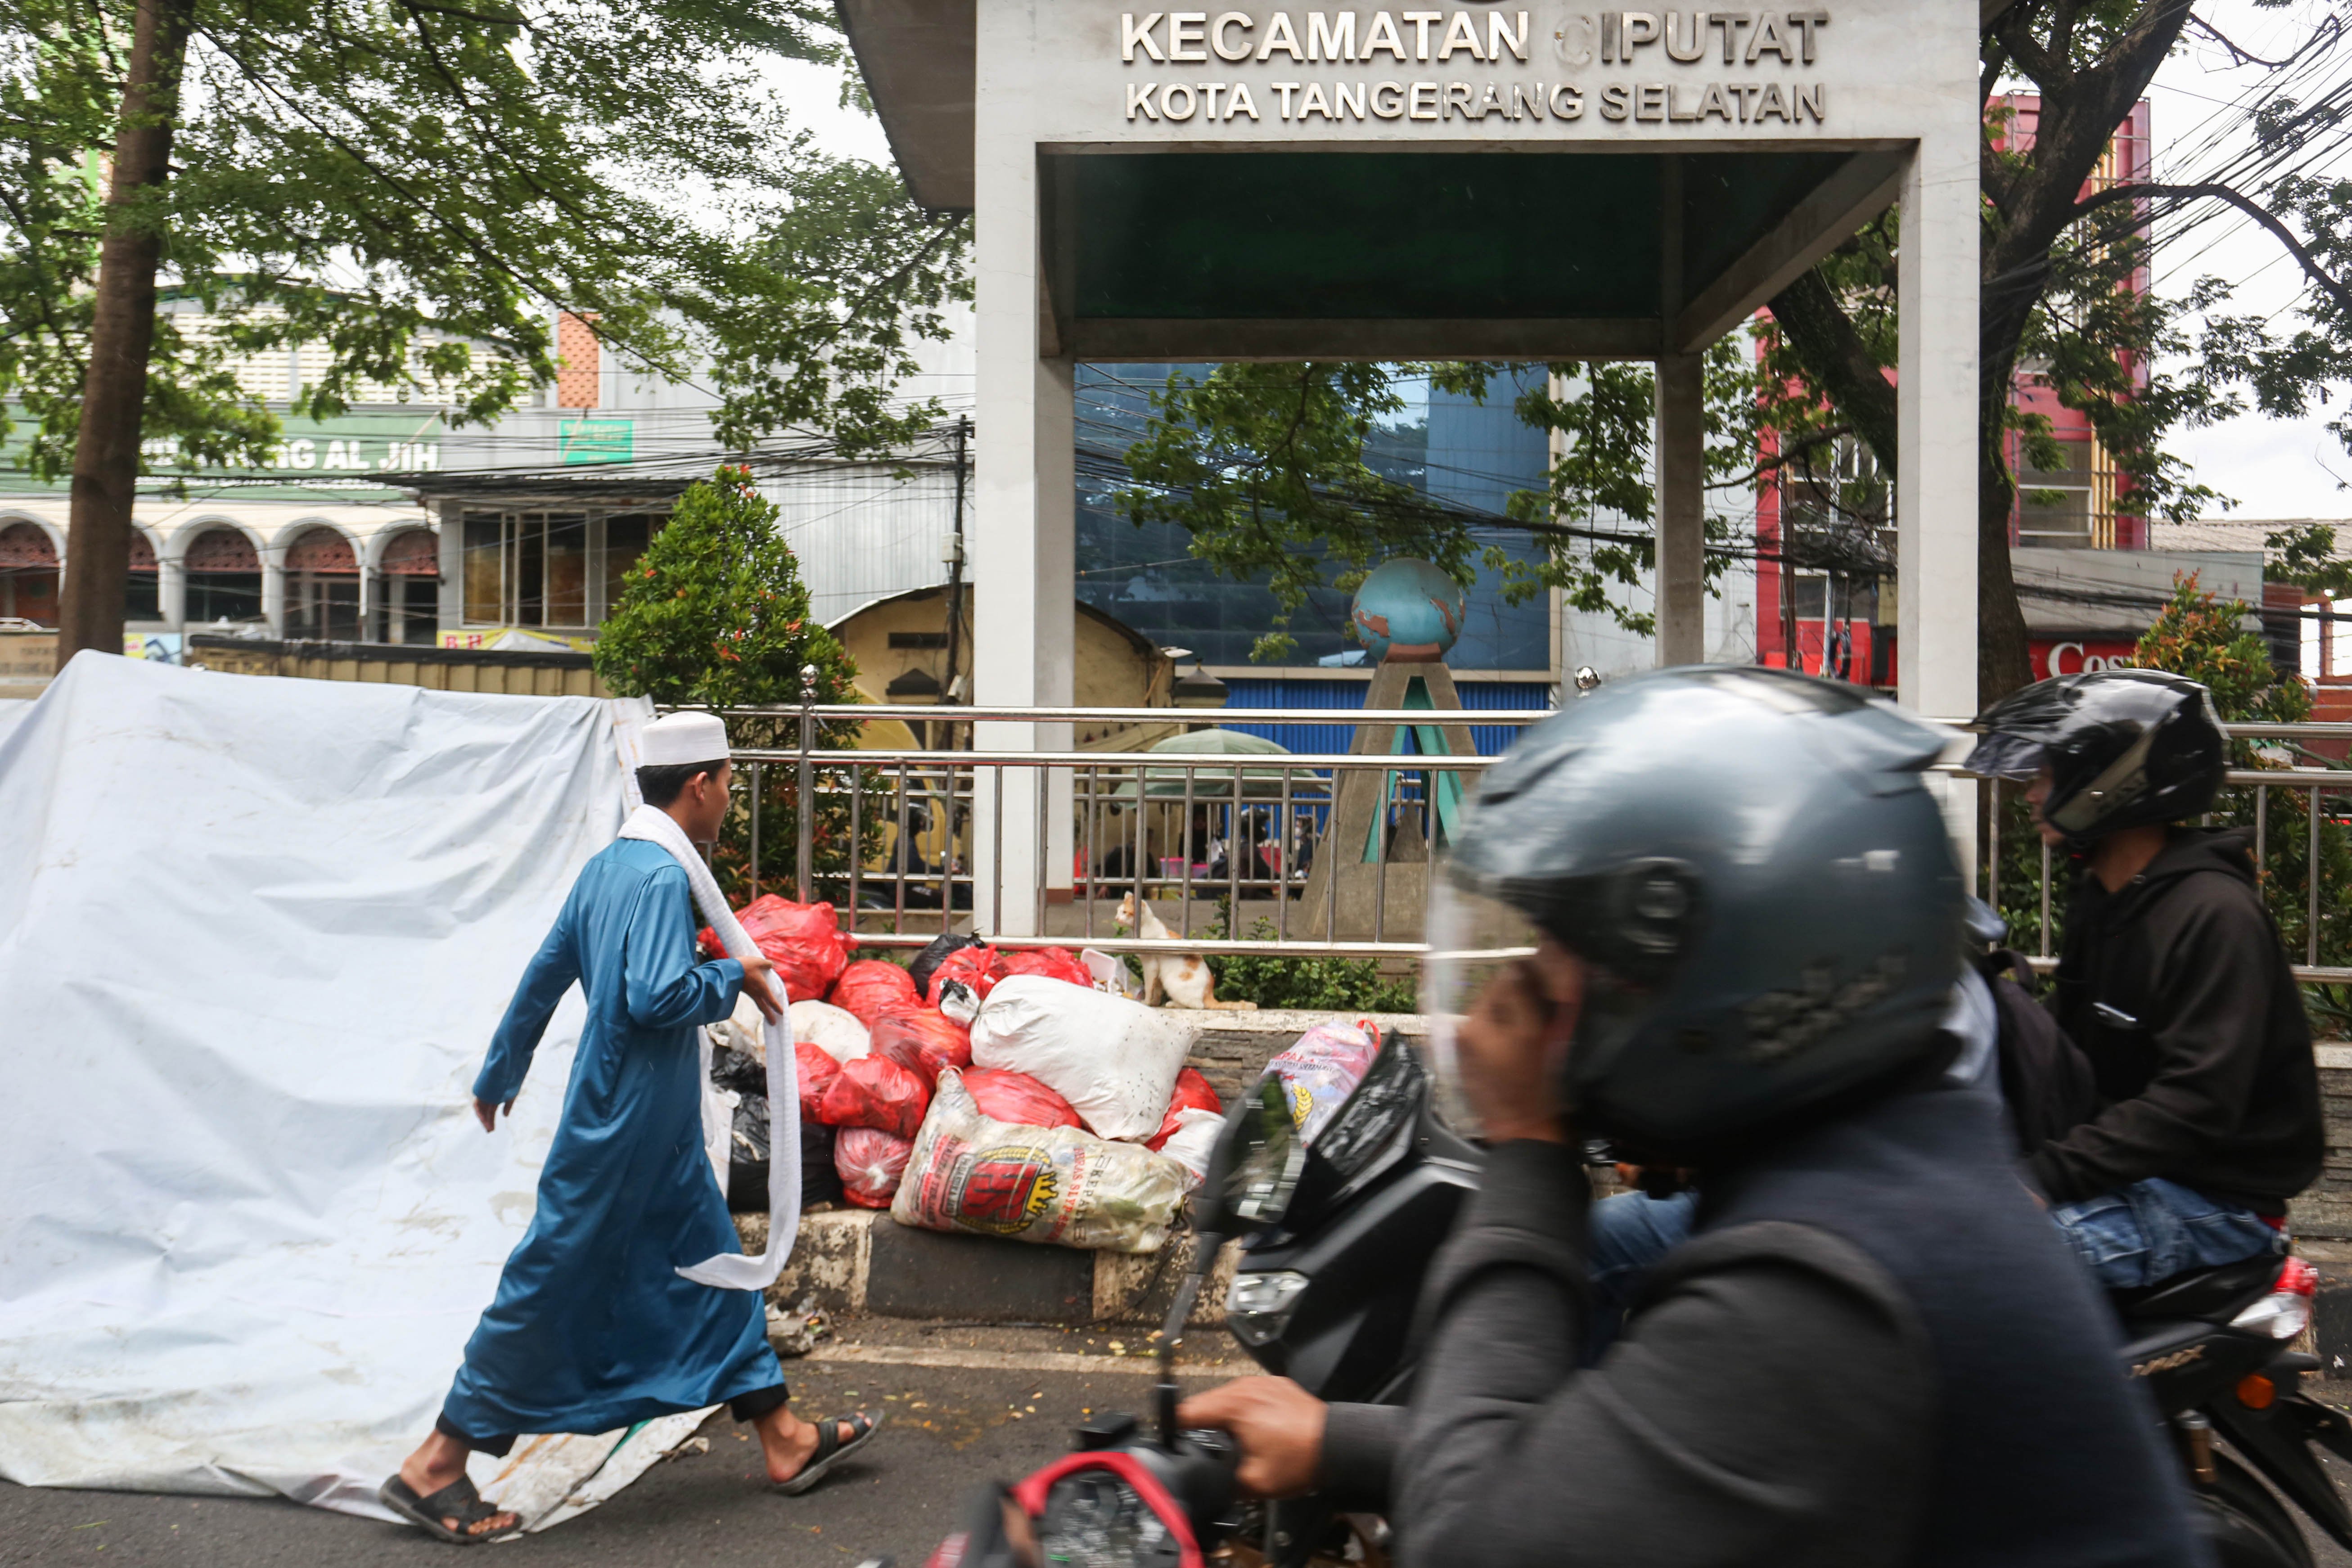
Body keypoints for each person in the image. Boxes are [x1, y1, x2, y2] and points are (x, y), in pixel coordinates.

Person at [1181, 666, 2199, 1565]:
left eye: (1567, 961)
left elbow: (1488, 1539)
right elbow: (1662, 1450)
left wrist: (1530, 1147)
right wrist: (1338, 1443)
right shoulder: (1883, 1166)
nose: (1533, 1001)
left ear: (1722, 979)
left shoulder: (1825, 1281)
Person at [378, 711, 877, 1544]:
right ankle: (436, 1462)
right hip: (621, 1132)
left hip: (653, 1132)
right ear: (699, 786)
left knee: (717, 1272)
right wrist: (734, 975)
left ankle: (783, 1438)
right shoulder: (656, 879)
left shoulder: (611, 866)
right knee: (549, 1284)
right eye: (725, 784)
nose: (728, 800)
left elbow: (547, 971)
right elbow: (655, 998)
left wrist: (502, 1071)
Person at [1962, 667, 2322, 1286]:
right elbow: (2066, 1047)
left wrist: (2042, 1179)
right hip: (2138, 1176)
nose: (2028, 793)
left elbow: (2194, 1103)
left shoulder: (2213, 915)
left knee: (1973, 1271)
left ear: (2108, 781)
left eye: (2046, 774)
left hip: (2215, 1205)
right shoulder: (2105, 895)